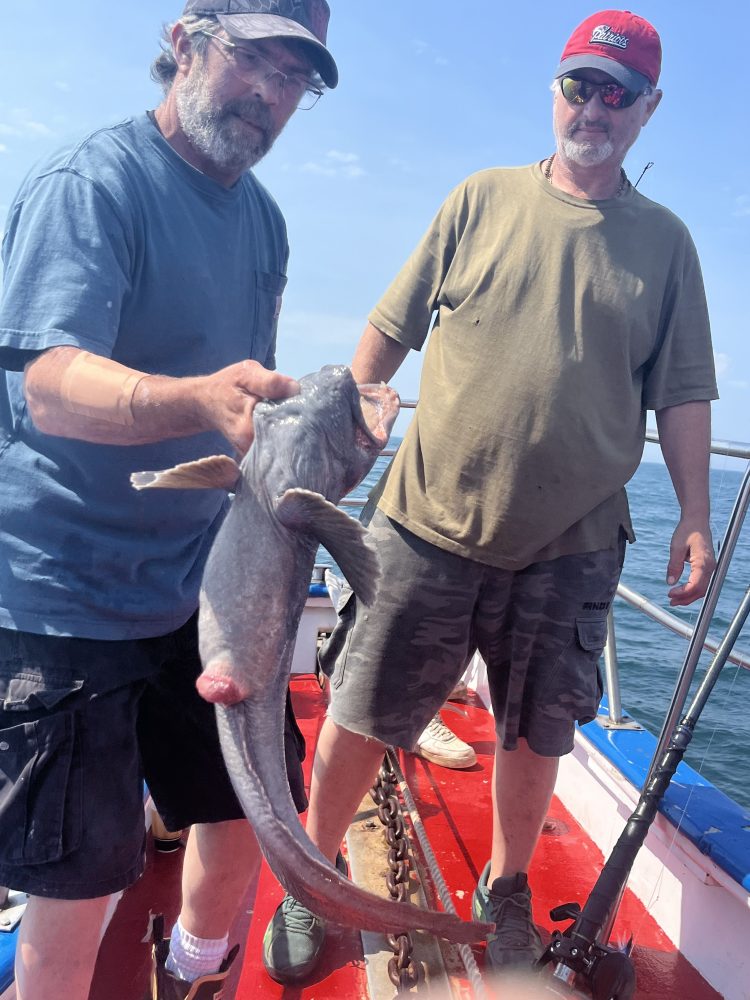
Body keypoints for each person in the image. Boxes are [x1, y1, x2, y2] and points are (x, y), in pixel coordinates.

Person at [261, 8, 718, 984]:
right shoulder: (479, 199)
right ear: (554, 90)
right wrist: (354, 413)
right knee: (357, 703)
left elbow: (683, 392)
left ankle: (506, 886)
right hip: (426, 524)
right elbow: (388, 326)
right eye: (577, 85)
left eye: (616, 93)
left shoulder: (667, 246)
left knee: (537, 728)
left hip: (578, 540)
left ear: (648, 110)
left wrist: (693, 512)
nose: (592, 106)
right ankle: (310, 870)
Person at [0, 2, 337, 998]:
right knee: (82, 883)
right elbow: (47, 385)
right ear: (187, 38)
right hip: (68, 592)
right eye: (255, 60)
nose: (272, 96)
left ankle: (193, 972)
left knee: (246, 801)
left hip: (203, 589)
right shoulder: (92, 185)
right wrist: (188, 400)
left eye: (296, 79)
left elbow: (249, 411)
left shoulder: (264, 224)